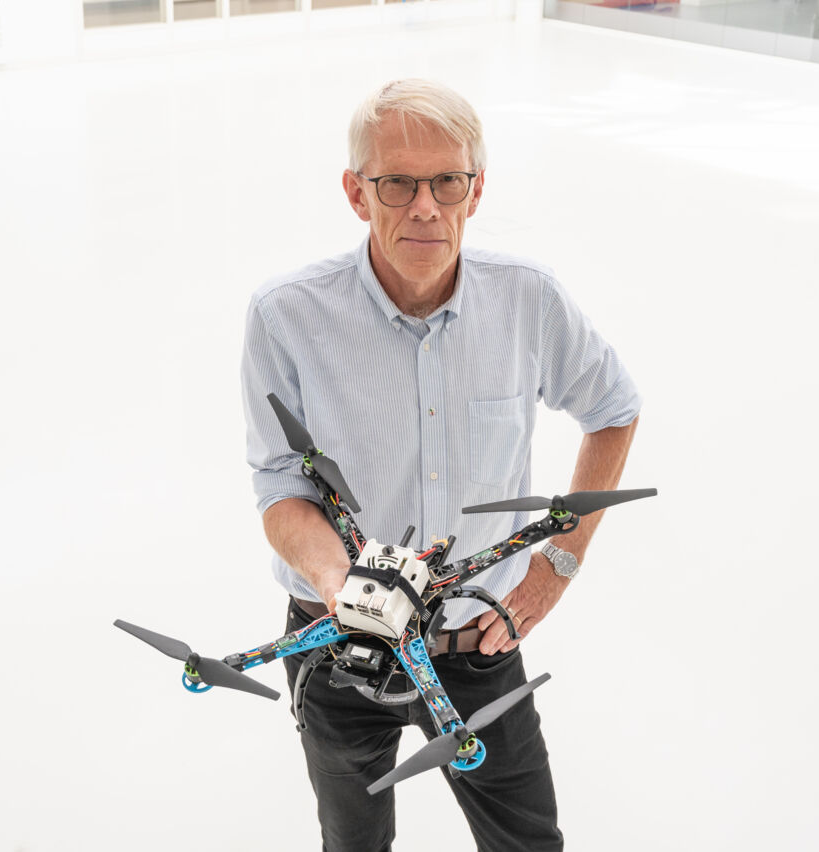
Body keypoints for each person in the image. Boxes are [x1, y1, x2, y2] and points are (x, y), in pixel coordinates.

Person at [240, 79, 642, 852]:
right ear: (358, 193)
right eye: (396, 182)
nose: (424, 206)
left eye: (446, 181)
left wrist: (557, 562)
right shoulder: (285, 316)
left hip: (477, 645)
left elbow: (613, 408)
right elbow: (280, 484)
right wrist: (345, 588)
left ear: (475, 190)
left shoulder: (529, 301)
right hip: (332, 646)